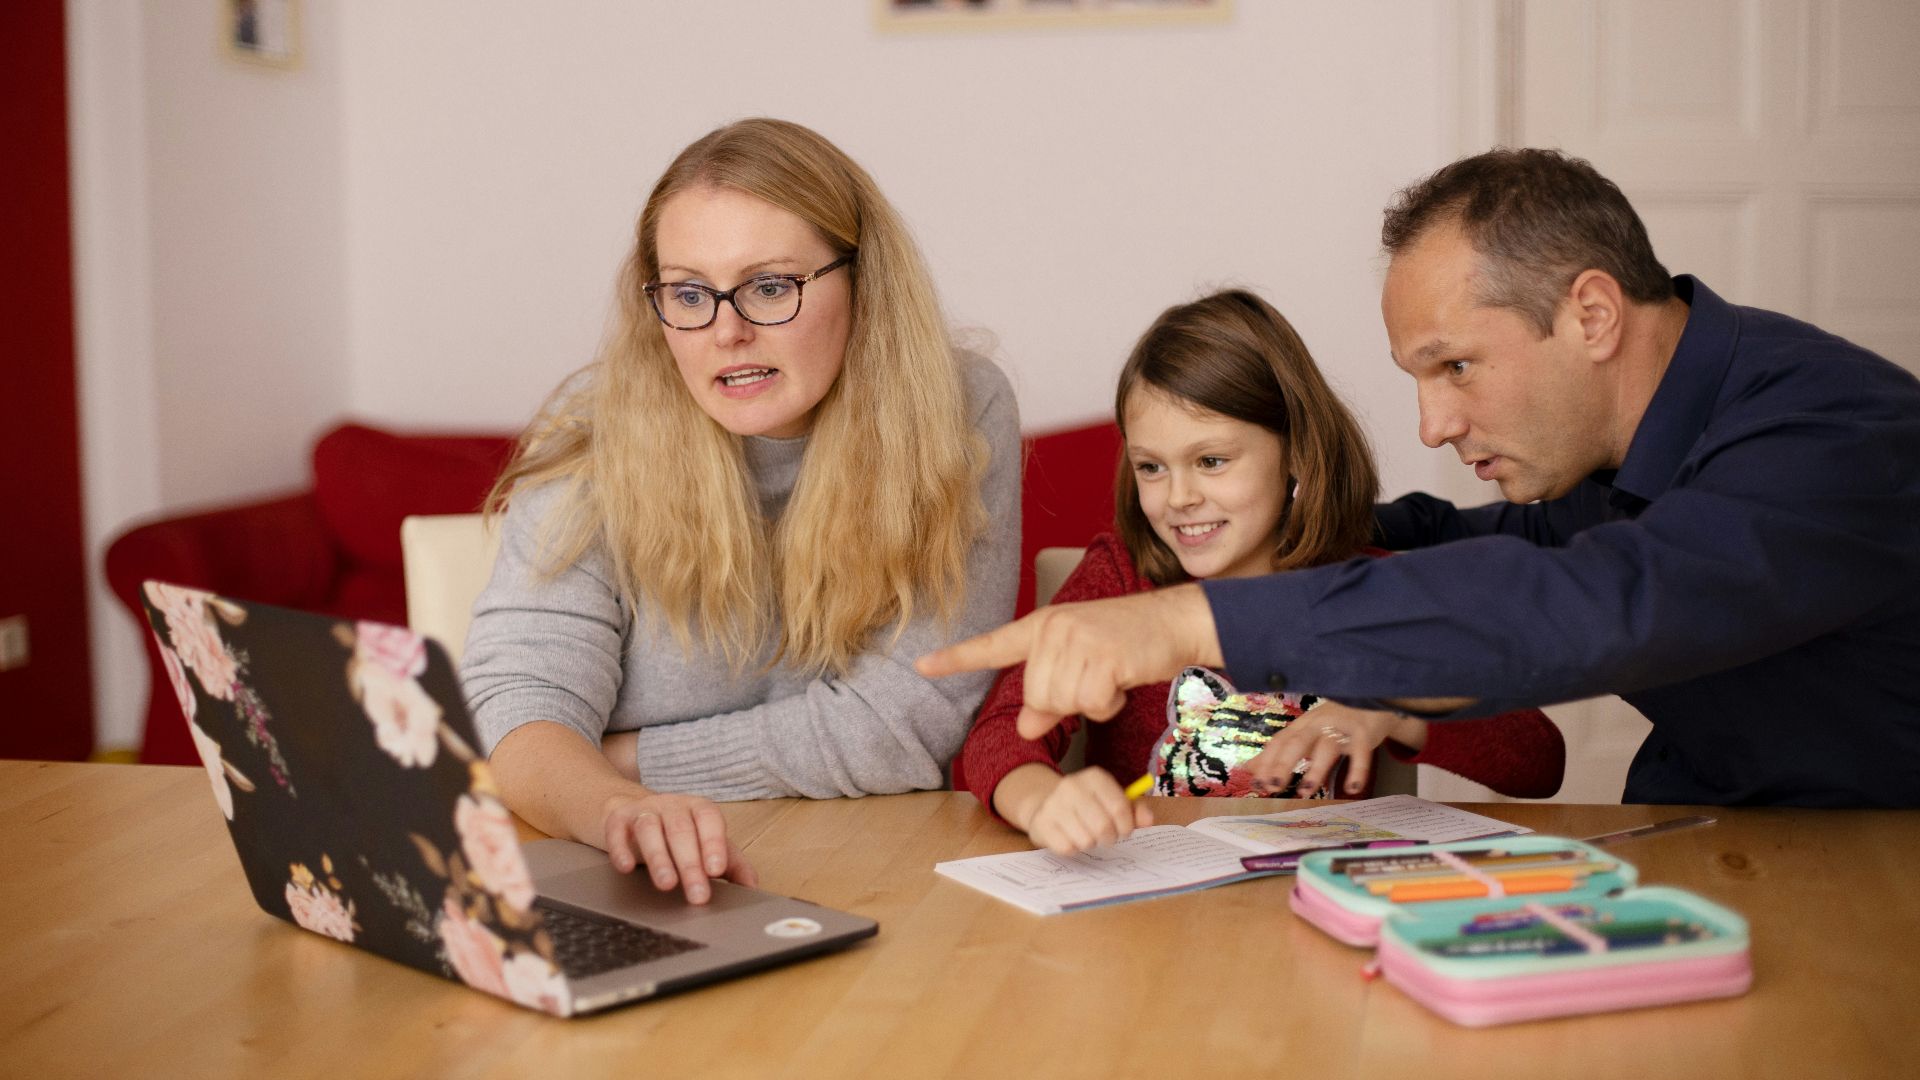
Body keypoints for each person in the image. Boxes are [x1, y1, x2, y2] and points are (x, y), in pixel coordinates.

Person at [922, 148, 1920, 809]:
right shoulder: (1600, 454)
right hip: (1704, 835)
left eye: (1456, 366)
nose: (1434, 425)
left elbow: (1599, 601)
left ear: (1592, 316)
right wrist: (1277, 539)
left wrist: (1191, 621)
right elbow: (1469, 545)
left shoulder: (1832, 439)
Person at [464, 118, 1021, 903]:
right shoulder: (597, 435)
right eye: (689, 293)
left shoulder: (958, 408)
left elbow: (908, 727)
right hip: (630, 878)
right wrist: (617, 805)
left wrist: (617, 758)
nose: (726, 331)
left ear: (864, 282)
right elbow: (517, 712)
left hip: (879, 876)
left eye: (769, 286)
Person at [958, 290, 1564, 855]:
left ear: (1296, 452)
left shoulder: (1369, 592)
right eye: (1151, 467)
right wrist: (1042, 799)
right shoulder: (1119, 577)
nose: (1179, 497)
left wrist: (1397, 707)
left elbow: (1539, 760)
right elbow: (997, 734)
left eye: (1211, 460)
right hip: (1150, 919)